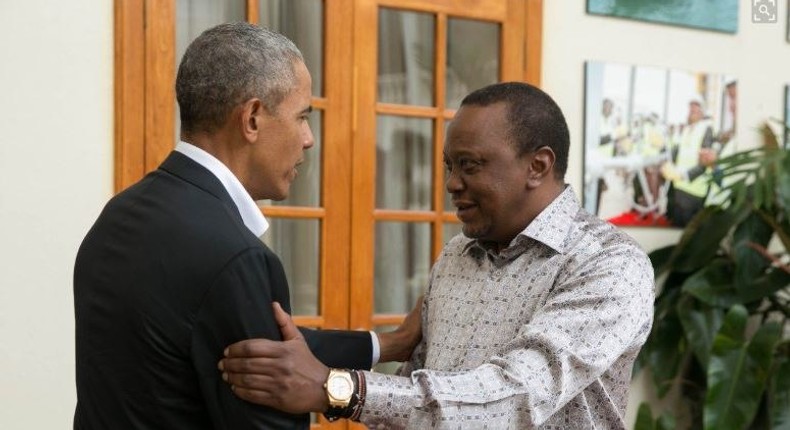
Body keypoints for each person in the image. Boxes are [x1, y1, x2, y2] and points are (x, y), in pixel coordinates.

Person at [218, 82, 656, 429]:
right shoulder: (457, 253)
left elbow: (516, 397)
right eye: (449, 165)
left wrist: (337, 388)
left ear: (538, 166)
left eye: (470, 165)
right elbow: (422, 390)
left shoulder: (610, 265)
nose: (451, 184)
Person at [73, 22, 417, 430]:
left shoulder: (119, 214)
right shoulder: (236, 257)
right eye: (302, 116)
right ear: (252, 118)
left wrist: (385, 345)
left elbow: (224, 342)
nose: (308, 139)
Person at [661, 96, 717, 227]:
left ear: (701, 112)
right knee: (676, 226)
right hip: (679, 186)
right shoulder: (686, 129)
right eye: (690, 108)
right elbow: (677, 152)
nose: (691, 111)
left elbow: (705, 161)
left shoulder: (706, 129)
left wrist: (684, 175)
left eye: (695, 108)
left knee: (687, 230)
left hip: (694, 189)